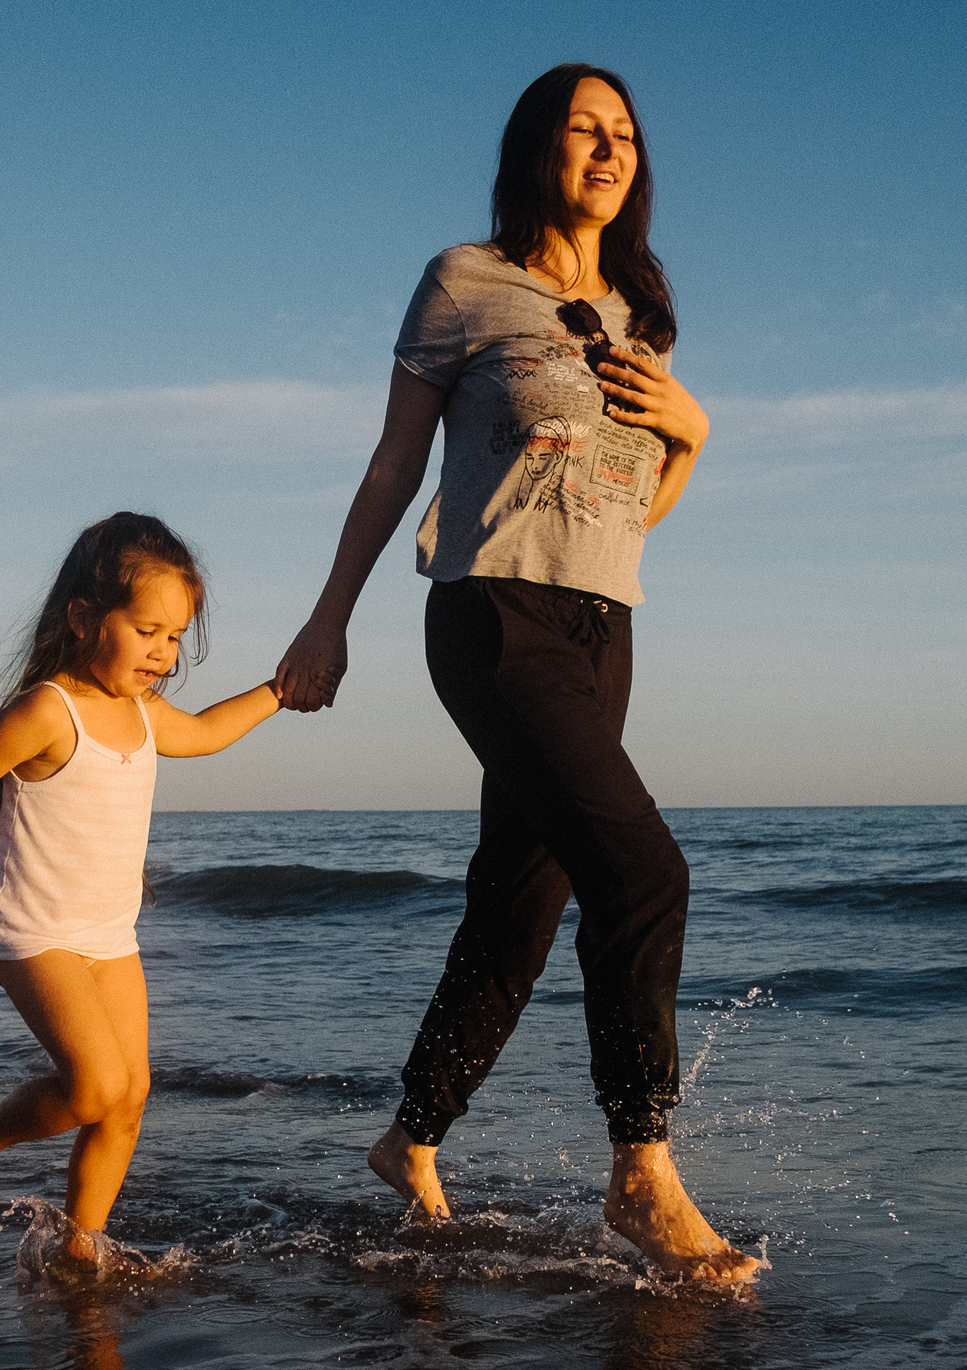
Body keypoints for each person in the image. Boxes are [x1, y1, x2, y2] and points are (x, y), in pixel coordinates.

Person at [273, 64, 761, 1284]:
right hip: (492, 613)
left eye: (627, 137)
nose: (610, 152)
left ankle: (411, 1136)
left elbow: (636, 507)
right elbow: (392, 468)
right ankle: (641, 1171)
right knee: (642, 870)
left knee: (523, 900)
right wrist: (326, 621)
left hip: (606, 621)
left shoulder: (641, 313)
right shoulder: (465, 283)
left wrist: (693, 431)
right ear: (537, 146)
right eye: (586, 131)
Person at [0, 513, 281, 1267]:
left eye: (175, 637)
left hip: (108, 936)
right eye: (148, 631)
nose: (164, 654)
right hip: (33, 933)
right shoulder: (49, 710)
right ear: (82, 617)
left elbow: (205, 731)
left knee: (129, 1098)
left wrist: (280, 689)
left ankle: (79, 1245)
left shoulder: (140, 711)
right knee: (95, 1084)